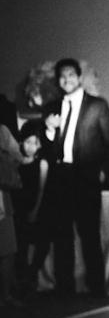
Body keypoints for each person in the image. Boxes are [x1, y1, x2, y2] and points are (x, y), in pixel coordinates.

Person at [42, 58, 109, 297]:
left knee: (89, 234)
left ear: (79, 77)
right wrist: (49, 129)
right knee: (62, 234)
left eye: (71, 75)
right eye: (62, 76)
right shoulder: (51, 106)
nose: (67, 80)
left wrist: (105, 170)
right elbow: (45, 148)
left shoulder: (97, 105)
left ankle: (97, 288)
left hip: (86, 175)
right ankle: (65, 288)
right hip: (60, 176)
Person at [12, 121, 49, 292]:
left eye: (34, 143)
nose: (30, 146)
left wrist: (35, 210)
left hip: (36, 207)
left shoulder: (41, 164)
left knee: (42, 243)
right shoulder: (17, 163)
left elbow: (41, 189)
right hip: (18, 208)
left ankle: (31, 274)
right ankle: (22, 278)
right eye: (27, 142)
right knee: (21, 246)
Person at [0, 123, 22, 306]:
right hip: (1, 198)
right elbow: (18, 156)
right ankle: (4, 295)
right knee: (7, 250)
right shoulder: (2, 132)